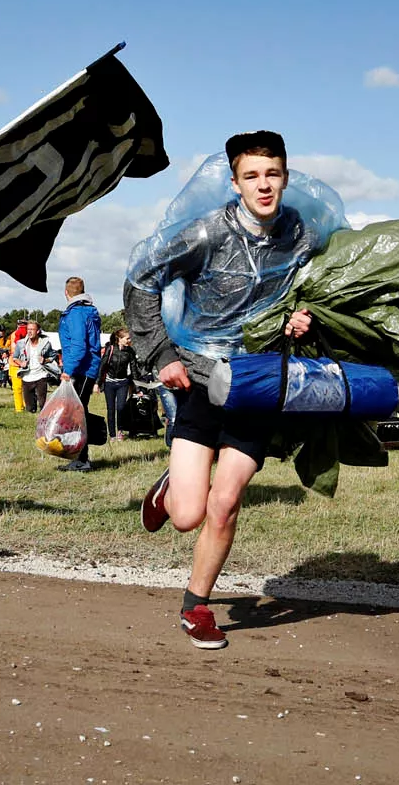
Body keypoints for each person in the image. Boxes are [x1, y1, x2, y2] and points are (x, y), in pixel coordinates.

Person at [131, 130, 320, 649]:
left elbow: (311, 290)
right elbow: (141, 281)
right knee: (188, 516)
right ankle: (171, 487)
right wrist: (162, 355)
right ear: (235, 182)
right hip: (198, 379)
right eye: (252, 176)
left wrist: (304, 318)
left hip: (257, 383)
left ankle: (197, 608)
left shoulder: (299, 233)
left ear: (285, 176)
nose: (264, 185)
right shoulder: (205, 233)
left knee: (226, 502)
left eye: (273, 174)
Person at [56, 276, 102, 472]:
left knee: (77, 413)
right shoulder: (88, 311)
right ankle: (79, 456)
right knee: (77, 411)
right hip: (87, 368)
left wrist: (68, 370)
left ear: (66, 293)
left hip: (82, 368)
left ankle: (82, 458)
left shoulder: (75, 314)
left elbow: (78, 345)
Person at [11, 320, 57, 412]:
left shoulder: (45, 343)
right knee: (30, 407)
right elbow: (15, 357)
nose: (29, 332)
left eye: (32, 329)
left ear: (38, 331)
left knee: (42, 403)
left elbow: (53, 356)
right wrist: (21, 363)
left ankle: (44, 418)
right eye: (28, 329)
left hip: (41, 375)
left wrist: (45, 360)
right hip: (27, 376)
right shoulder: (21, 343)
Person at [99, 328, 137, 440]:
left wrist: (137, 387)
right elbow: (102, 366)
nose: (129, 340)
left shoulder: (130, 351)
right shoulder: (110, 349)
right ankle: (112, 435)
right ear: (119, 339)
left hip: (123, 383)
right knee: (111, 409)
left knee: (121, 408)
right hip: (109, 383)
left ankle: (120, 431)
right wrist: (98, 383)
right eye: (127, 338)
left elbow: (134, 369)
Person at [6, 318, 29, 412]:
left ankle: (23, 406)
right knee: (19, 387)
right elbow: (5, 344)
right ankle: (20, 407)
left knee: (22, 387)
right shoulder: (13, 335)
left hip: (21, 363)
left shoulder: (28, 334)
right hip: (15, 363)